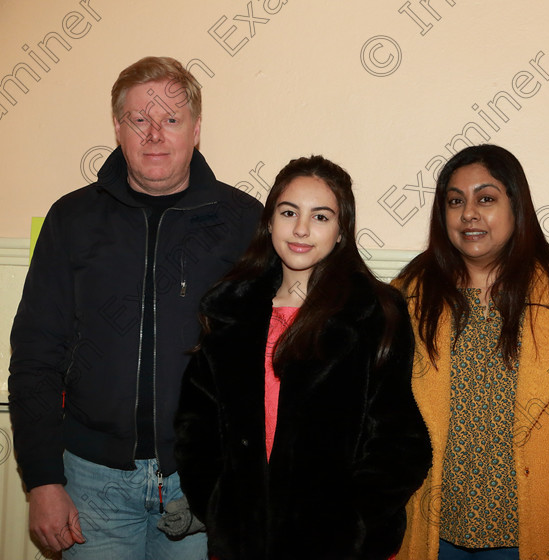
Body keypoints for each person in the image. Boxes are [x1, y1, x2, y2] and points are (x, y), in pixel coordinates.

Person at [8, 56, 262, 559]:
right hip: (90, 484)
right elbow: (36, 355)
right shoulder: (72, 219)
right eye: (139, 120)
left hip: (201, 478)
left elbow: (273, 351)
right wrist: (42, 480)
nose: (154, 135)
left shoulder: (243, 221)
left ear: (195, 129)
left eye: (171, 119)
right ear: (118, 128)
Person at [173, 155, 432, 559]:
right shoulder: (229, 309)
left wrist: (350, 523)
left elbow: (401, 444)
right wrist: (218, 507)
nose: (301, 229)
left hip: (338, 547)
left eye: (321, 217)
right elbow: (196, 426)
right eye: (289, 211)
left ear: (342, 231)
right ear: (270, 221)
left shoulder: (375, 312)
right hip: (245, 543)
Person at [393, 144, 549, 559]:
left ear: (517, 206)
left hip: (529, 527)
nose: (469, 214)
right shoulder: (408, 295)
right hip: (433, 525)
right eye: (455, 201)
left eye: (486, 198)